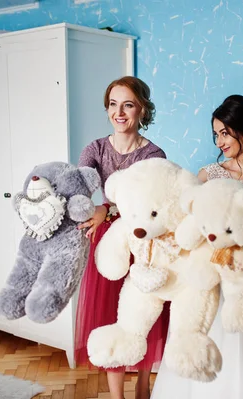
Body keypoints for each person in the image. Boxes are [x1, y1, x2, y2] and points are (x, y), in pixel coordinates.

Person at [151, 94, 243, 399]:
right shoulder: (208, 174)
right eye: (216, 134)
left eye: (225, 133)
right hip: (216, 271)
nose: (219, 142)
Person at [75, 76, 170, 399]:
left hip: (143, 244)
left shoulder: (154, 154)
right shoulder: (95, 149)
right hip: (108, 245)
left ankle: (143, 387)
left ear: (142, 109)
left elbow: (149, 205)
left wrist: (105, 209)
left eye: (128, 104)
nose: (119, 112)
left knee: (143, 315)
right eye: (113, 104)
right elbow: (79, 192)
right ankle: (117, 397)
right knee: (108, 317)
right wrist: (97, 209)